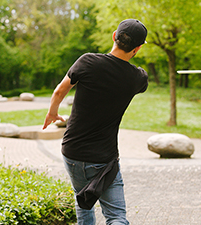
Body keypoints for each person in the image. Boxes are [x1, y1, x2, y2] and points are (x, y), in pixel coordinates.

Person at [42, 19, 148, 225]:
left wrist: (52, 113)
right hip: (104, 160)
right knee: (116, 216)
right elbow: (142, 77)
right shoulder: (137, 78)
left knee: (83, 203)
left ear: (114, 36)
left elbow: (59, 91)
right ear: (137, 49)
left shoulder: (87, 61)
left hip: (72, 152)